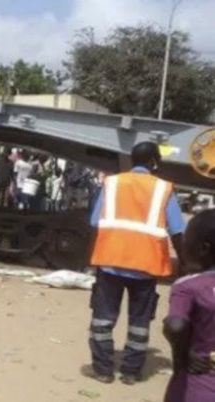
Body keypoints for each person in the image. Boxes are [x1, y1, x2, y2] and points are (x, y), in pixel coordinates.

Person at [87, 141, 186, 385]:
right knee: (139, 324)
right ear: (153, 161)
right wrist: (186, 264)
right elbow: (177, 230)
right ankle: (131, 372)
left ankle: (103, 370)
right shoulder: (163, 189)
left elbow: (94, 222)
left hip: (110, 261)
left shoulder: (112, 183)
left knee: (103, 319)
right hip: (146, 265)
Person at [163, 210, 215, 401]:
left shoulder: (188, 286)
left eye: (186, 239)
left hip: (198, 387)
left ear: (203, 248)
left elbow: (175, 326)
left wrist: (183, 356)